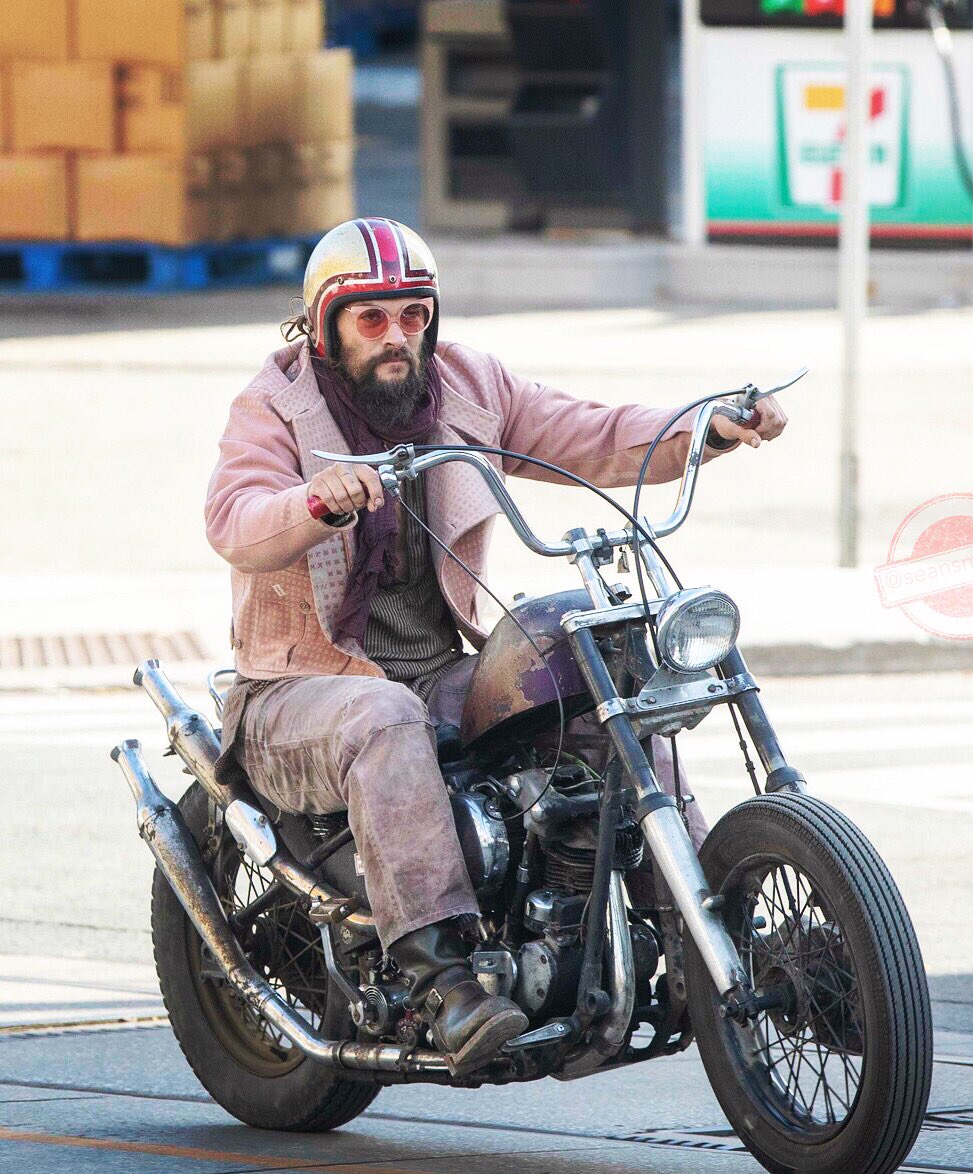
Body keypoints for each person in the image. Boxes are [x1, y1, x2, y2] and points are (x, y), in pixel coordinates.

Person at [205, 217, 787, 1075]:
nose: (397, 336)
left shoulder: (467, 385)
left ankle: (706, 927)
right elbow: (235, 518)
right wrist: (313, 502)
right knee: (383, 715)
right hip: (300, 683)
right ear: (324, 326)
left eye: (412, 314)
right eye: (372, 319)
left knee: (594, 680)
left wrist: (706, 426)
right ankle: (442, 977)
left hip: (442, 669)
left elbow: (589, 430)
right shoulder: (275, 406)